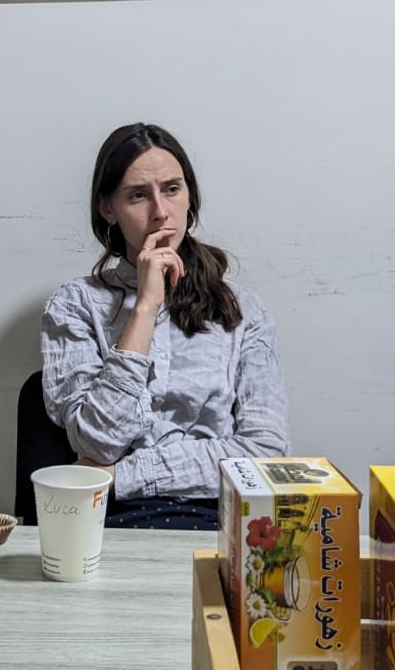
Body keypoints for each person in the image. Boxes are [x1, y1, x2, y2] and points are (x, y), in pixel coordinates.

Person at [41, 122, 289, 529]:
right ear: (108, 209)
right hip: (103, 522)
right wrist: (145, 307)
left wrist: (123, 475)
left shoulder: (244, 312)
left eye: (172, 189)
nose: (160, 212)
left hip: (222, 521)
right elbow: (96, 443)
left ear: (190, 198)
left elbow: (265, 453)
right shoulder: (74, 305)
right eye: (138, 195)